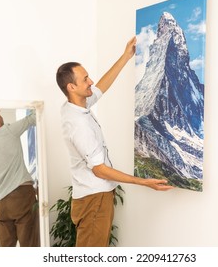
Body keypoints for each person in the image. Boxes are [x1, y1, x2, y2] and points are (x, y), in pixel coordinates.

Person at [56, 36, 175, 247]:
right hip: (94, 199)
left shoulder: (74, 105)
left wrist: (126, 56)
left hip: (93, 196)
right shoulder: (78, 125)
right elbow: (99, 170)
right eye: (85, 79)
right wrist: (142, 182)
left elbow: (100, 87)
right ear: (71, 87)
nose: (90, 81)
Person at [0, 108, 40, 247]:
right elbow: (34, 117)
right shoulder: (8, 131)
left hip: (2, 202)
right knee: (29, 244)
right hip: (21, 197)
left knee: (5, 247)